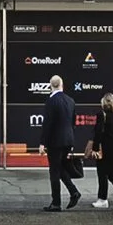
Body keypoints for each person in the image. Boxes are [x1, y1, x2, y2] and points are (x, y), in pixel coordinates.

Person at [39, 75, 82, 210]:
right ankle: (74, 192)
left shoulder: (51, 101)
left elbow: (48, 124)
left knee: (54, 171)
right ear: (62, 85)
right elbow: (73, 122)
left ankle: (56, 203)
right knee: (60, 167)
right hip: (68, 140)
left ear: (50, 86)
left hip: (55, 141)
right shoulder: (70, 100)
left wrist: (42, 143)